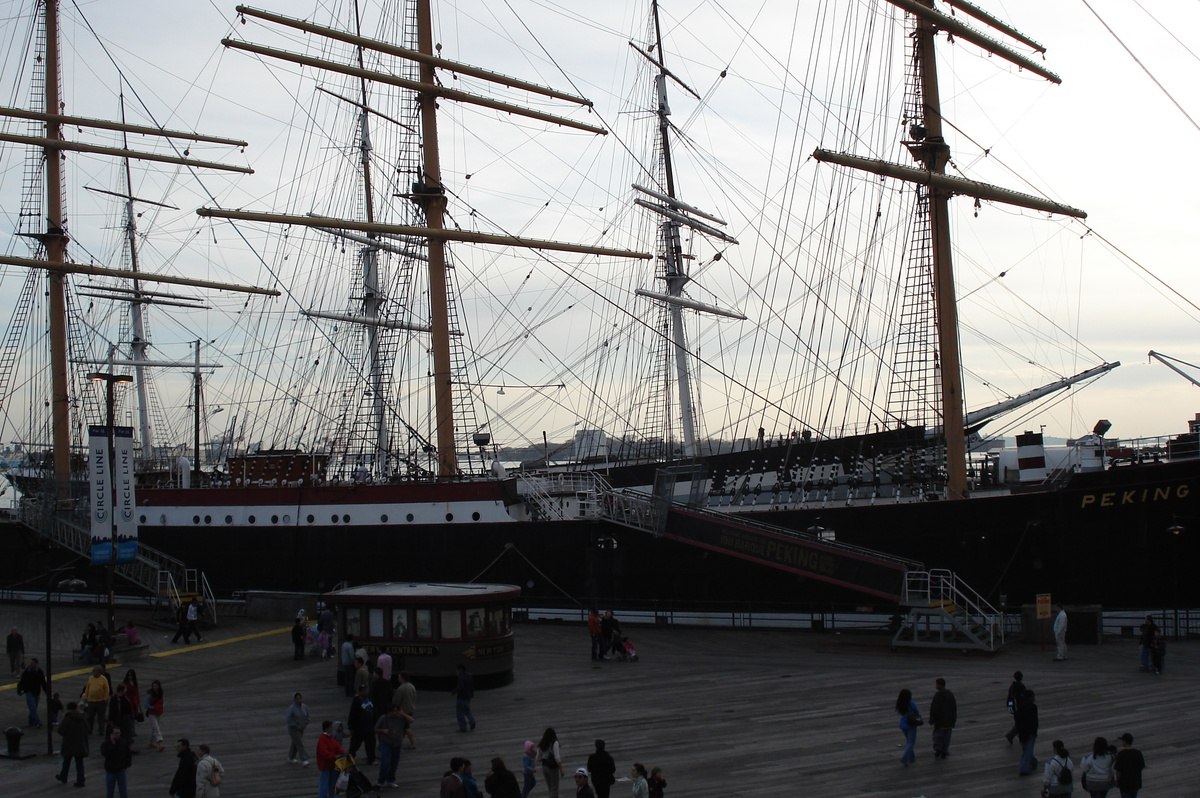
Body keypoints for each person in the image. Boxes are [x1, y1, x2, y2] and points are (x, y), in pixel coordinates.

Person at [374, 703, 413, 788]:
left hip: (397, 744)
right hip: (386, 743)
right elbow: (375, 729)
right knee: (385, 763)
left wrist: (403, 714)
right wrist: (383, 731)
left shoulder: (401, 718)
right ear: (390, 712)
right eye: (394, 711)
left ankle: (391, 780)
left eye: (397, 711)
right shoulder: (383, 718)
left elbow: (411, 720)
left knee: (394, 763)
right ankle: (381, 781)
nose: (396, 713)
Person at [55, 701, 89, 787]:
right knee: (79, 763)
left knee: (66, 761)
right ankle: (81, 781)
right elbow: (88, 729)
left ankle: (63, 776)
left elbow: (60, 731)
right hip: (80, 743)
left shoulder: (67, 719)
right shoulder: (83, 717)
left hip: (69, 743)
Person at [347, 684, 377, 765]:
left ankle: (371, 759)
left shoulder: (369, 699)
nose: (366, 692)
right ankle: (350, 759)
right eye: (364, 691)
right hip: (359, 727)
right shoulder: (356, 700)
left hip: (369, 727)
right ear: (360, 692)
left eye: (367, 690)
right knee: (354, 745)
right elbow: (352, 714)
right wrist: (351, 726)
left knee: (370, 745)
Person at [100, 726, 133, 798]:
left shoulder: (124, 743)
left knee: (123, 791)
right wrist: (112, 744)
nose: (117, 735)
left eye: (118, 733)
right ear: (111, 734)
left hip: (121, 769)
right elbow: (105, 753)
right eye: (115, 733)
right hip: (110, 770)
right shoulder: (106, 744)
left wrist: (126, 765)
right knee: (109, 792)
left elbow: (128, 755)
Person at [316, 720, 346, 798]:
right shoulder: (323, 739)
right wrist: (334, 756)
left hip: (332, 764)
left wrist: (344, 753)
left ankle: (333, 795)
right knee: (324, 783)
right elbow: (324, 752)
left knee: (332, 782)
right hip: (325, 765)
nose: (332, 728)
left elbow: (337, 747)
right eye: (331, 727)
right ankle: (323, 796)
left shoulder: (330, 738)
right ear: (326, 729)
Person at [929, 677, 957, 758]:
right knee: (946, 737)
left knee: (937, 736)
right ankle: (944, 750)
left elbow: (934, 708)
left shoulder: (938, 695)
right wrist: (954, 719)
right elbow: (954, 708)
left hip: (939, 721)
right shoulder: (950, 694)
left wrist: (932, 719)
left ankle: (938, 749)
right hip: (948, 721)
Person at [17, 656, 48, 727]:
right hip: (29, 691)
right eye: (30, 663)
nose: (31, 664)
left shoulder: (39, 672)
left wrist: (46, 691)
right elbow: (22, 682)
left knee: (34, 707)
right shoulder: (26, 672)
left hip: (37, 691)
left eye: (32, 663)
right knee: (32, 706)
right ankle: (37, 722)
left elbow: (43, 682)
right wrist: (20, 690)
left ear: (36, 664)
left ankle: (31, 720)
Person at [1113, 733, 1146, 798]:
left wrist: (1117, 781)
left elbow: (1118, 771)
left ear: (1124, 741)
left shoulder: (1121, 754)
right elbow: (1141, 767)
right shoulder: (1138, 753)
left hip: (1124, 783)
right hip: (1135, 782)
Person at [82, 664, 112, 734]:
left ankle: (101, 731)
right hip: (91, 701)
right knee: (90, 717)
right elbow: (87, 688)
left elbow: (106, 689)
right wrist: (86, 697)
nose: (93, 672)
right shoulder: (90, 678)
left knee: (101, 717)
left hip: (100, 701)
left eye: (94, 670)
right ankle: (89, 729)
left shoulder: (103, 679)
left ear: (99, 671)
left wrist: (105, 699)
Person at [108, 683, 138, 751]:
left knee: (127, 734)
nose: (126, 691)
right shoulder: (114, 699)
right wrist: (111, 721)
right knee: (119, 734)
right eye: (125, 689)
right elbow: (112, 711)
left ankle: (128, 747)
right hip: (118, 719)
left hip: (126, 719)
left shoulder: (125, 697)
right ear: (121, 690)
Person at [1016, 690, 1040, 776]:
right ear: (1030, 698)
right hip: (1030, 733)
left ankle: (1033, 762)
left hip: (1022, 733)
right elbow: (1034, 721)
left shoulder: (1020, 707)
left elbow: (1017, 721)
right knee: (1027, 751)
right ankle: (1024, 769)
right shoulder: (1033, 707)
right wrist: (1033, 732)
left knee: (1026, 750)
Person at [894, 688, 920, 766]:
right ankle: (905, 758)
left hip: (903, 724)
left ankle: (912, 757)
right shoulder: (911, 704)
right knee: (911, 742)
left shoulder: (900, 704)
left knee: (909, 741)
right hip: (911, 724)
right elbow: (917, 712)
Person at [537, 727, 564, 798]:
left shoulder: (542, 743)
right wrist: (561, 770)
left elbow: (538, 758)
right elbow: (557, 758)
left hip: (544, 767)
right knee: (554, 789)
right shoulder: (554, 743)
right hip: (552, 768)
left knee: (550, 788)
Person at [287, 691, 311, 766]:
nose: (299, 700)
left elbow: (308, 714)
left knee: (295, 743)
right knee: (299, 743)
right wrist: (296, 725)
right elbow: (289, 719)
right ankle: (304, 759)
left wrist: (307, 721)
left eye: (300, 698)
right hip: (293, 729)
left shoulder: (304, 706)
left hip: (302, 728)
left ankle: (291, 757)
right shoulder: (291, 708)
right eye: (297, 698)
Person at [1005, 670, 1028, 744]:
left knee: (1019, 722)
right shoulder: (1021, 686)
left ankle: (1019, 735)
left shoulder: (1013, 685)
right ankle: (1011, 735)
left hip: (1013, 707)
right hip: (1019, 707)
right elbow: (1023, 696)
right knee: (1021, 723)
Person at [395, 670, 417, 748]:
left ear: (403, 678)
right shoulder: (412, 686)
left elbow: (397, 701)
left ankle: (412, 743)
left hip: (403, 711)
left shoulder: (400, 689)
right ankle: (400, 742)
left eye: (399, 677)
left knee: (406, 727)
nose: (398, 678)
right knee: (404, 727)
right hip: (411, 708)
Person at [453, 663, 476, 732]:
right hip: (468, 696)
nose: (456, 671)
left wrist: (454, 691)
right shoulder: (469, 676)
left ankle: (463, 727)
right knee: (467, 710)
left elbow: (460, 687)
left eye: (457, 670)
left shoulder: (461, 677)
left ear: (460, 670)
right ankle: (472, 721)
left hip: (461, 696)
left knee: (460, 713)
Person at [145, 680, 166, 750]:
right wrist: (153, 707)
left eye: (156, 686)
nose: (155, 687)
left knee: (153, 728)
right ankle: (160, 743)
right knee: (156, 728)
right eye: (153, 686)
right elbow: (146, 705)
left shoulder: (160, 693)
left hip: (158, 713)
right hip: (152, 713)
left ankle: (150, 741)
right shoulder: (149, 694)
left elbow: (162, 702)